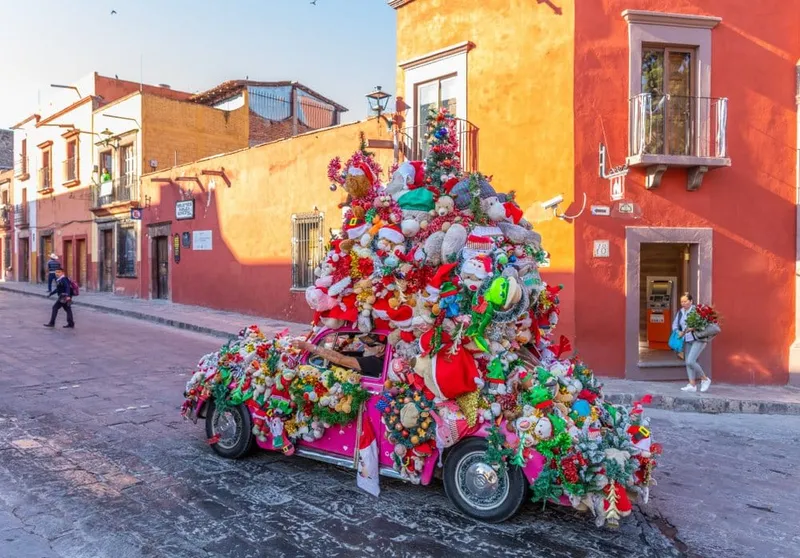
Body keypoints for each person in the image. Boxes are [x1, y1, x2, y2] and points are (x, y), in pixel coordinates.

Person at [292, 333, 386, 376]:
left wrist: (307, 346)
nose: (365, 346)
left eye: (369, 344)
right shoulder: (377, 358)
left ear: (381, 348)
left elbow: (340, 359)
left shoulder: (375, 362)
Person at [672, 293, 710, 393]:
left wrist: (693, 328)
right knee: (687, 363)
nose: (683, 303)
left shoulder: (697, 311)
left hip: (698, 339)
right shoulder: (680, 312)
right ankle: (692, 385)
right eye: (682, 302)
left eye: (685, 301)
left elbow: (704, 324)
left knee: (690, 361)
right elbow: (675, 325)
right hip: (687, 339)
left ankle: (705, 379)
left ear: (691, 301)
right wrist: (677, 331)